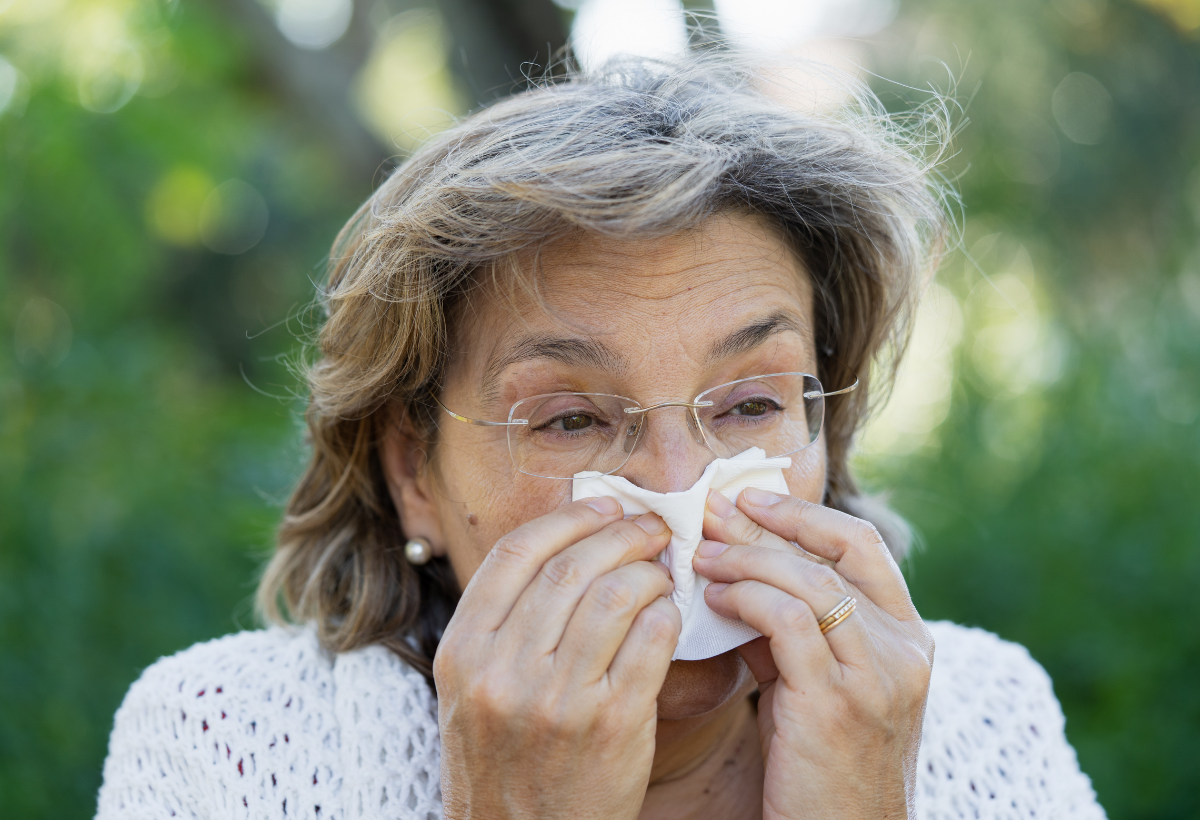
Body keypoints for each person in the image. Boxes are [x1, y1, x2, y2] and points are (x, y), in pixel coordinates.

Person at [95, 55, 1105, 819]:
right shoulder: (232, 744)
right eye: (571, 419)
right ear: (414, 476)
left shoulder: (981, 715)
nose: (678, 488)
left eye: (749, 404)